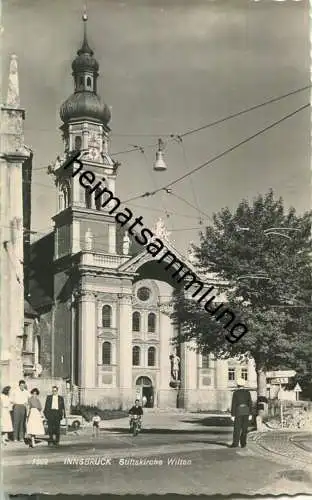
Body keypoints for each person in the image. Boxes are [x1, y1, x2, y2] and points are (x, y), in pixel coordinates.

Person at [230, 377, 253, 448]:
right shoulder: (248, 392)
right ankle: (243, 443)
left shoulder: (235, 393)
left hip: (238, 412)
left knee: (237, 428)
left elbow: (234, 404)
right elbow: (250, 403)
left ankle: (235, 443)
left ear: (237, 385)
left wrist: (232, 415)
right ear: (244, 385)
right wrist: (250, 413)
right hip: (246, 411)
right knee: (244, 429)